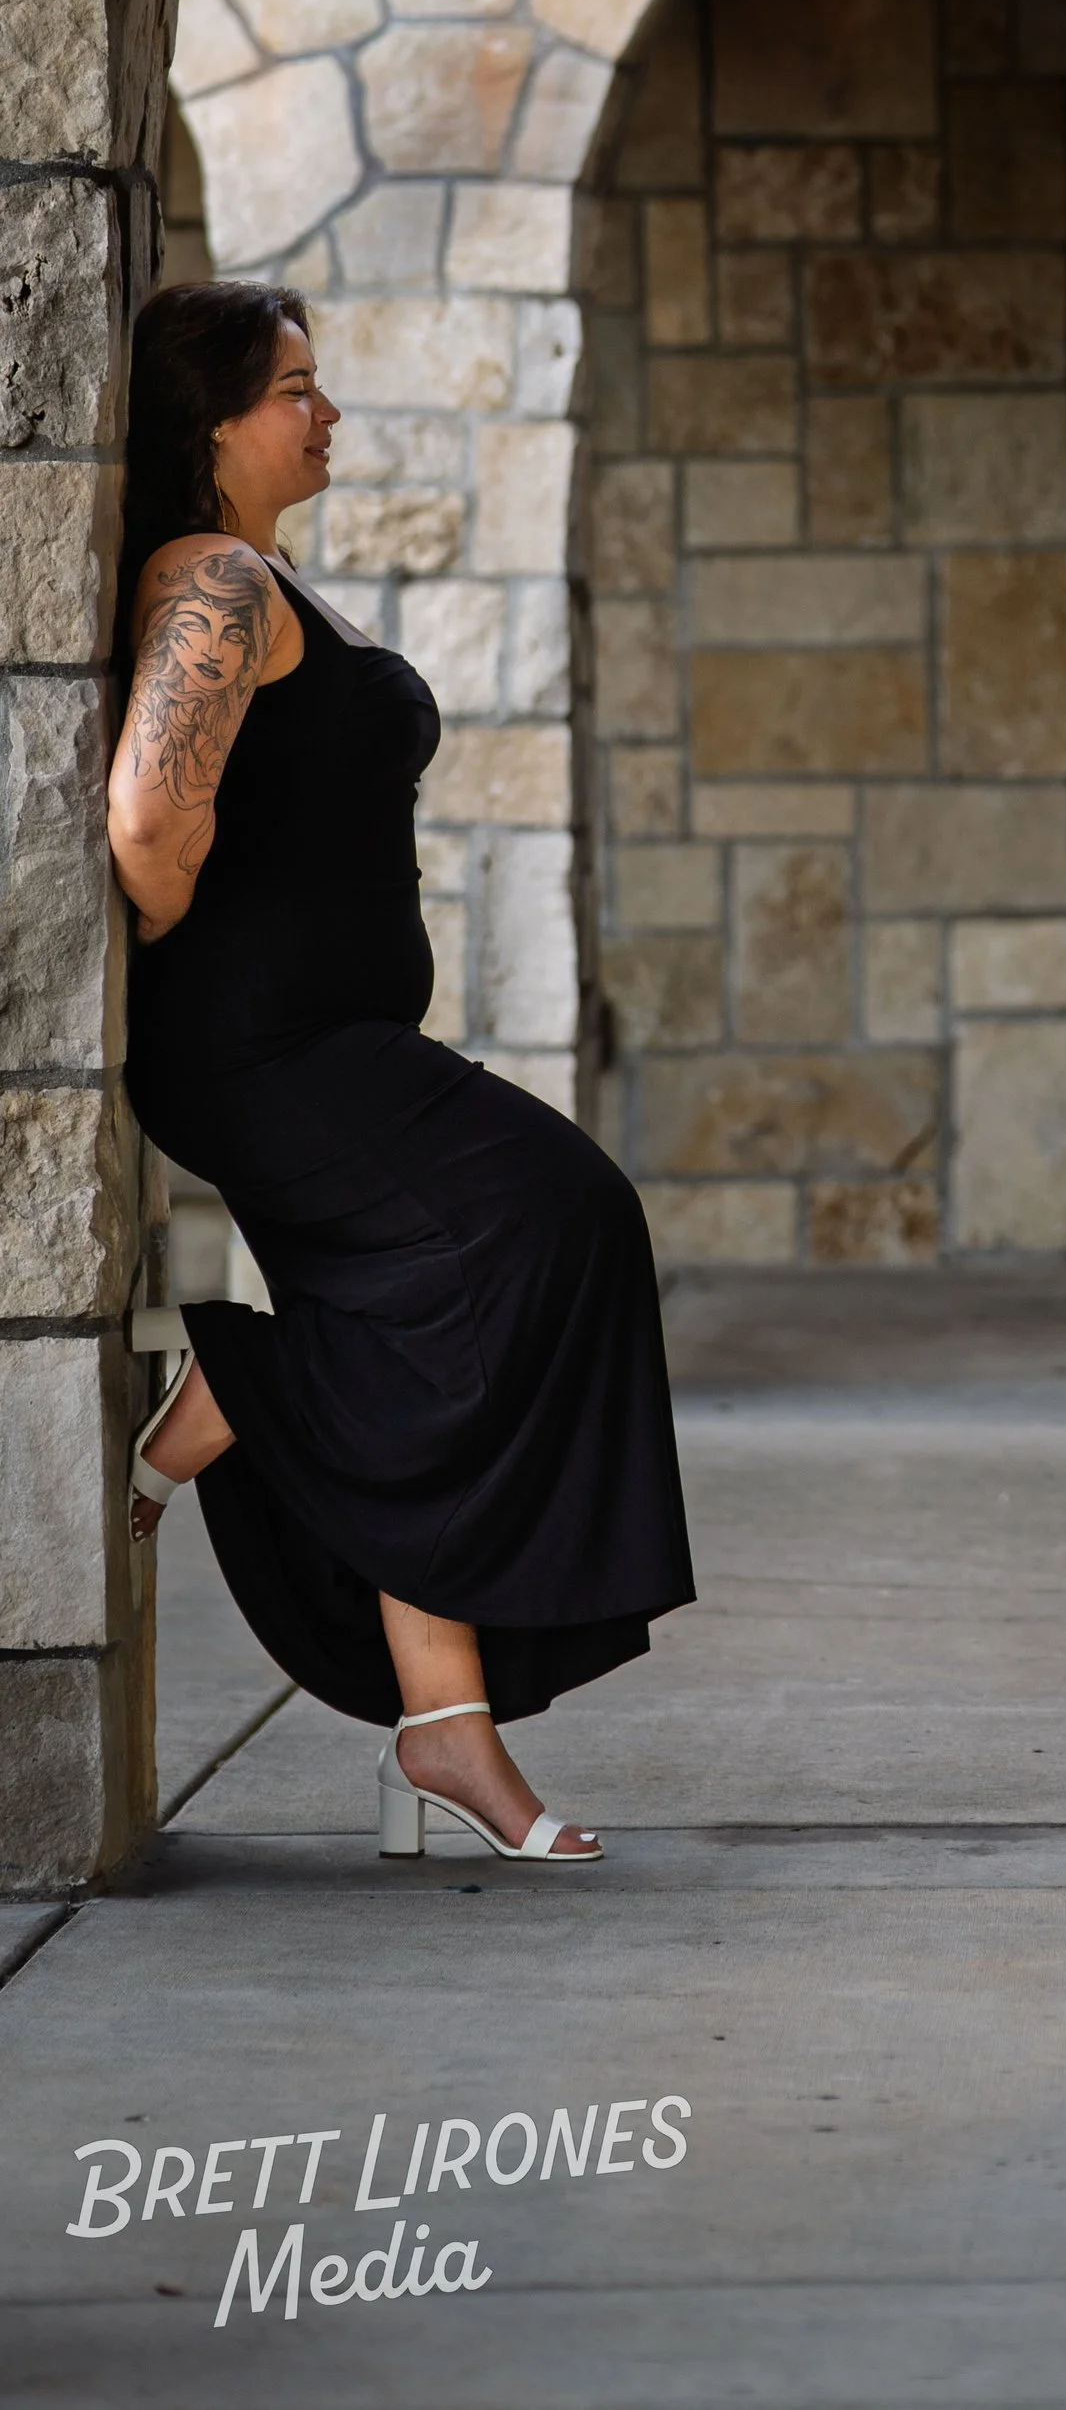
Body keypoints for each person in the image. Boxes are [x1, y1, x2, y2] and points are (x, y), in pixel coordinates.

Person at [108, 281, 693, 1868]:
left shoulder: (259, 571)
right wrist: (205, 937)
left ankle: (442, 1727)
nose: (327, 411)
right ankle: (215, 1402)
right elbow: (150, 820)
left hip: (319, 1046)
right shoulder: (212, 573)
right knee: (558, 1214)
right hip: (272, 1051)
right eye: (295, 386)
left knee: (447, 1317)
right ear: (213, 421)